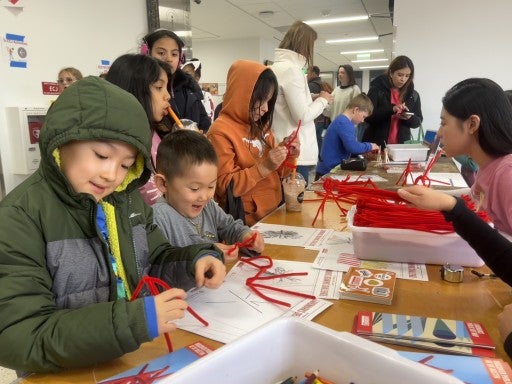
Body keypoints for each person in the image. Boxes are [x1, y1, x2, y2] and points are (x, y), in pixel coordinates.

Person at [0, 76, 226, 373]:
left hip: (126, 357)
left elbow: (155, 259)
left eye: (124, 164)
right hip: (59, 374)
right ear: (62, 139)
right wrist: (131, 322)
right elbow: (19, 336)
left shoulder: (126, 200)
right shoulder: (19, 216)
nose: (111, 175)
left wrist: (197, 259)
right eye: (102, 155)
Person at [207, 60, 300, 226]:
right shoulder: (220, 131)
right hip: (247, 223)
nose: (265, 109)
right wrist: (264, 167)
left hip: (274, 212)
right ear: (242, 95)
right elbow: (224, 187)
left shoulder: (261, 126)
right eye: (261, 100)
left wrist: (289, 156)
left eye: (269, 102)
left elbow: (280, 174)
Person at [152, 130, 264, 261]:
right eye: (195, 188)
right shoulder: (158, 218)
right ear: (163, 184)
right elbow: (162, 265)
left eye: (211, 186)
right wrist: (204, 254)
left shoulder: (208, 206)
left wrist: (245, 236)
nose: (205, 196)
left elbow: (229, 226)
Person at [270, 21, 333, 185]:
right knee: (294, 205)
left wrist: (311, 98)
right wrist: (322, 100)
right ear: (306, 45)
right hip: (294, 150)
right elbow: (302, 116)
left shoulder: (276, 67)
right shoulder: (292, 70)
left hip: (281, 145)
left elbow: (284, 102)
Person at [105, 53, 172, 206]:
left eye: (167, 88)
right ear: (134, 90)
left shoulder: (154, 133)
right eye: (159, 87)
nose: (167, 95)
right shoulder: (122, 141)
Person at [142, 29, 211, 132]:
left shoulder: (190, 87)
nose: (169, 58)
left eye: (174, 54)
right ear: (147, 53)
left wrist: (202, 136)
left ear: (181, 58)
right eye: (161, 52)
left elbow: (205, 124)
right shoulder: (142, 87)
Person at [362, 55, 423, 147]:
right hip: (376, 145)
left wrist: (408, 117)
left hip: (401, 147)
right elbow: (367, 117)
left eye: (407, 76)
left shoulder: (413, 95)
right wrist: (392, 109)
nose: (403, 79)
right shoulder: (376, 90)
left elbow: (418, 122)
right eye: (400, 75)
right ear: (391, 73)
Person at [316, 94, 379, 179]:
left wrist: (363, 151)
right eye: (363, 116)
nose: (362, 120)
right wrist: (370, 146)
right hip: (328, 172)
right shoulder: (344, 123)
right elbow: (352, 147)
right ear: (356, 110)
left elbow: (348, 148)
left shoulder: (342, 121)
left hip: (327, 169)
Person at [182, 58, 216, 124]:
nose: (185, 77)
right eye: (184, 73)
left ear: (197, 77)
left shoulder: (206, 96)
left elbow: (208, 120)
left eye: (188, 73)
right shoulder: (180, 94)